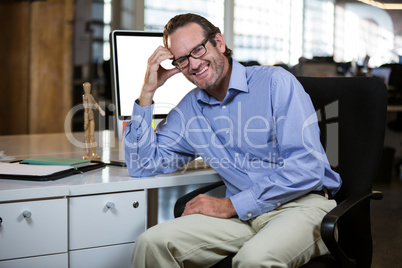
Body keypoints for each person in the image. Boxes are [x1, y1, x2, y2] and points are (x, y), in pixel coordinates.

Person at [124, 13, 341, 268]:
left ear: (219, 42)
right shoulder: (190, 110)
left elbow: (307, 167)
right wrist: (147, 92)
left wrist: (230, 205)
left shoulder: (275, 83)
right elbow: (142, 165)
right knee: (151, 243)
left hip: (300, 206)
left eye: (198, 50)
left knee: (253, 260)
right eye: (182, 60)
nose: (193, 65)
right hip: (242, 218)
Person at [82, 82, 105, 160]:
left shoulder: (90, 96)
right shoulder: (84, 96)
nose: (87, 89)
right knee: (87, 136)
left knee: (92, 136)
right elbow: (85, 109)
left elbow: (95, 103)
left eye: (89, 87)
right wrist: (85, 122)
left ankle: (94, 153)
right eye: (86, 88)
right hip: (86, 115)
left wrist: (101, 110)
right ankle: (88, 153)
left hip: (91, 116)